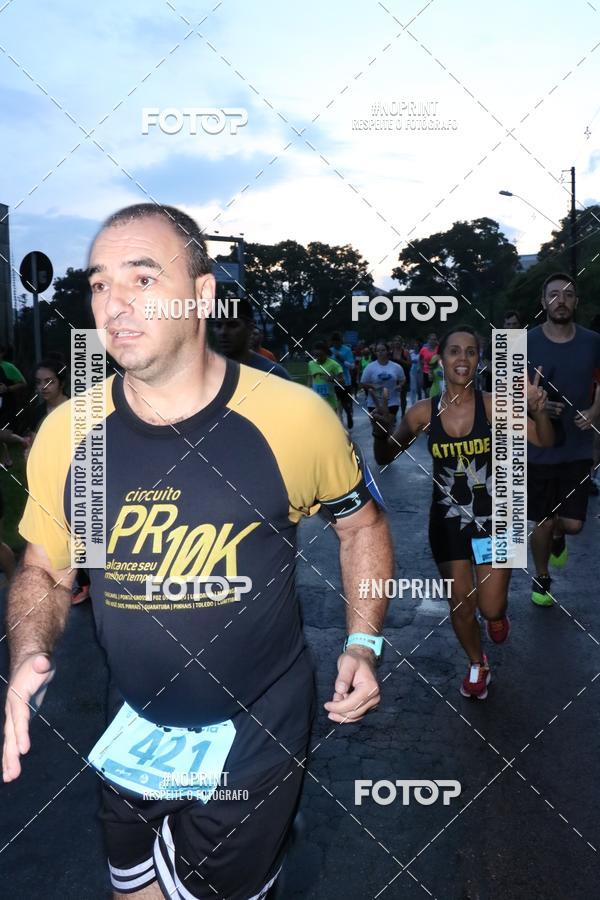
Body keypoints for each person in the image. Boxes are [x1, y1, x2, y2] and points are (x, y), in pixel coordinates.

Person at [3, 203, 394, 900]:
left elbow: (361, 527)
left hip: (257, 729)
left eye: (143, 278)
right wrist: (29, 652)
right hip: (133, 726)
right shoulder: (70, 434)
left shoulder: (293, 418)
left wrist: (364, 643)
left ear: (202, 295)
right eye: (99, 284)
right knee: (132, 891)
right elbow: (47, 570)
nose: (114, 304)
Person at [373, 325, 553, 699]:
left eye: (471, 352)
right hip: (447, 523)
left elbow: (544, 440)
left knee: (491, 607)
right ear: (440, 359)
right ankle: (477, 663)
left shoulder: (493, 406)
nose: (463, 358)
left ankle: (497, 616)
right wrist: (380, 432)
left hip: (497, 521)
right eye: (454, 351)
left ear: (479, 361)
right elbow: (386, 456)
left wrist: (538, 412)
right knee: (461, 604)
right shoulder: (422, 413)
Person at [527, 273, 600, 606]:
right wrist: (535, 406)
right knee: (543, 519)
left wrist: (596, 410)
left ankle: (559, 535)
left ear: (576, 302)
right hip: (538, 447)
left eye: (568, 295)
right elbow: (503, 393)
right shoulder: (523, 342)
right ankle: (542, 578)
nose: (561, 301)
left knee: (572, 524)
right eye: (554, 294)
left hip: (578, 446)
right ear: (543, 302)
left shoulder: (593, 341)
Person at [25, 357, 91, 606]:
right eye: (38, 382)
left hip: (76, 482)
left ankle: (86, 583)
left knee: (80, 533)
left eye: (49, 381)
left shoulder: (77, 410)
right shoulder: (37, 413)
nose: (43, 387)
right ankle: (77, 581)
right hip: (48, 484)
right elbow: (32, 443)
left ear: (61, 382)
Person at [212, 297, 290, 379]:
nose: (223, 332)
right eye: (218, 325)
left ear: (250, 328)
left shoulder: (272, 373)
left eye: (232, 325)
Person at [361, 341, 405, 433]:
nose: (380, 352)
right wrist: (373, 386)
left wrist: (400, 385)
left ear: (388, 351)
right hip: (374, 403)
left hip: (392, 402)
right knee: (377, 431)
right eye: (378, 351)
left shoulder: (396, 367)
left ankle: (390, 440)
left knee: (388, 428)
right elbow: (363, 383)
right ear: (375, 353)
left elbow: (402, 379)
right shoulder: (370, 367)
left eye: (383, 350)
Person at [0, 345, 27, 467]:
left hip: (7, 405)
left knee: (3, 434)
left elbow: (23, 383)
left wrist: (8, 388)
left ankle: (24, 441)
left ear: (2, 354)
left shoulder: (8, 367)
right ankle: (7, 461)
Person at [307, 341, 344, 416]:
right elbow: (309, 379)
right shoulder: (311, 364)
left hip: (330, 403)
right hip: (316, 402)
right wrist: (308, 391)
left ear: (326, 353)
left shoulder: (334, 365)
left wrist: (334, 380)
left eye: (321, 355)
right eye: (316, 356)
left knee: (331, 422)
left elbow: (342, 382)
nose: (318, 358)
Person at [329, 332, 355, 429]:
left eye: (338, 341)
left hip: (345, 381)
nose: (336, 344)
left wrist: (342, 359)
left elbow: (351, 366)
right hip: (333, 382)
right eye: (334, 342)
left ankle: (348, 413)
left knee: (345, 402)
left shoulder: (347, 350)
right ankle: (339, 421)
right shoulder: (330, 351)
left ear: (341, 341)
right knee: (336, 402)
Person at [390, 336, 411, 415]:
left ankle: (403, 414)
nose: (397, 342)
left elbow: (410, 364)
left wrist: (400, 360)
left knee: (403, 396)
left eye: (399, 341)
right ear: (393, 342)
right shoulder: (390, 353)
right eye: (395, 341)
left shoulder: (405, 352)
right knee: (392, 397)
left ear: (401, 342)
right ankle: (393, 415)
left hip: (404, 377)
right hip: (393, 378)